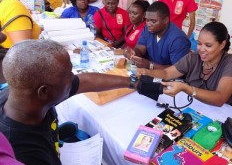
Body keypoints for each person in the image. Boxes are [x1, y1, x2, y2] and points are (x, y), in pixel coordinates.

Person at [0, 39, 139, 165]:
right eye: (68, 75)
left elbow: (85, 81)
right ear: (44, 91)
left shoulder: (23, 97)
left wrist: (135, 83)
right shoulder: (22, 153)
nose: (73, 77)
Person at [137, 21, 232, 109]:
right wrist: (147, 72)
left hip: (224, 114)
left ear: (222, 44)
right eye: (199, 43)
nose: (201, 49)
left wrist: (186, 88)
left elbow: (220, 99)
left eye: (208, 45)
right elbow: (166, 73)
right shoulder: (193, 57)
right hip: (196, 107)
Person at [124, 1, 190, 69]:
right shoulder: (147, 29)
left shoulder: (178, 40)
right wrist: (133, 52)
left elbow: (178, 70)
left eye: (153, 21)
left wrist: (150, 65)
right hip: (149, 73)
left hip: (170, 78)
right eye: (147, 20)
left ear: (166, 20)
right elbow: (140, 49)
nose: (149, 24)